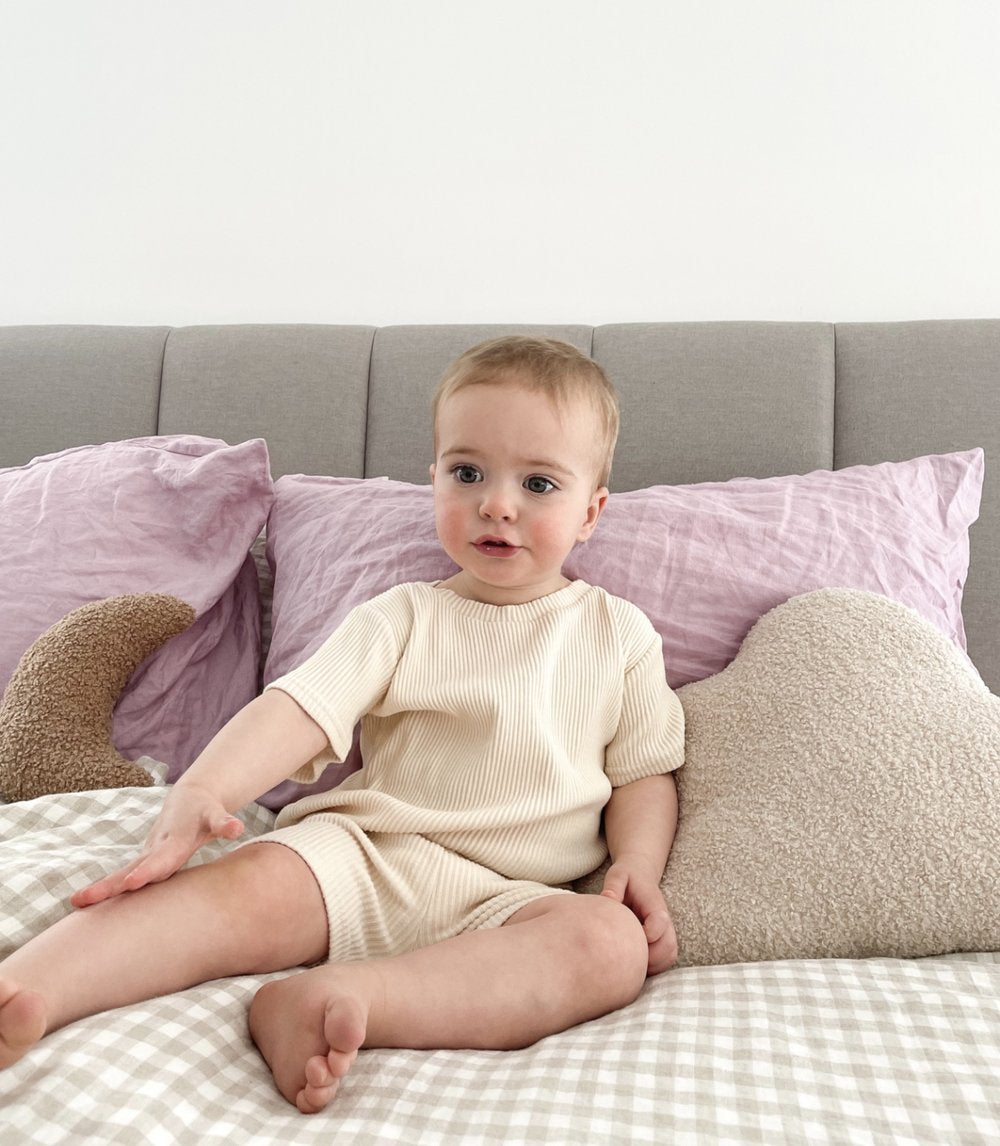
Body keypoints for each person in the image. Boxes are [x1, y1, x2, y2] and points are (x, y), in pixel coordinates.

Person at [0, 335, 684, 1114]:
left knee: (607, 947)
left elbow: (644, 770)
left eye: (538, 482)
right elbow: (298, 709)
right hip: (361, 857)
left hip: (511, 900)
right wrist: (204, 787)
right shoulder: (403, 616)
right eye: (467, 473)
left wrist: (638, 863)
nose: (497, 503)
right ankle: (29, 988)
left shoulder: (619, 634)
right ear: (433, 481)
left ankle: (335, 999)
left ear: (591, 511)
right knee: (221, 895)